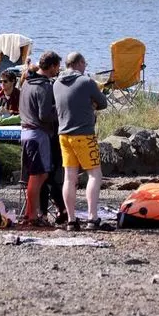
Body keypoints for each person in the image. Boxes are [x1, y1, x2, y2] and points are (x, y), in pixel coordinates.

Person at [54, 51, 110, 231]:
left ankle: (71, 220)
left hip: (64, 134)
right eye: (84, 63)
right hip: (84, 134)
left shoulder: (56, 83)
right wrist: (90, 104)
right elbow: (103, 103)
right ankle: (92, 218)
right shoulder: (86, 82)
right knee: (94, 174)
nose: (85, 67)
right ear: (78, 63)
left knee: (69, 177)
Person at [19, 51, 62, 227]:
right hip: (38, 134)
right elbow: (44, 115)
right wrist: (59, 110)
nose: (58, 71)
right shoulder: (44, 86)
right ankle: (32, 215)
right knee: (39, 175)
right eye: (57, 67)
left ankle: (31, 213)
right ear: (52, 66)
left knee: (36, 175)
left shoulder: (27, 82)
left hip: (26, 132)